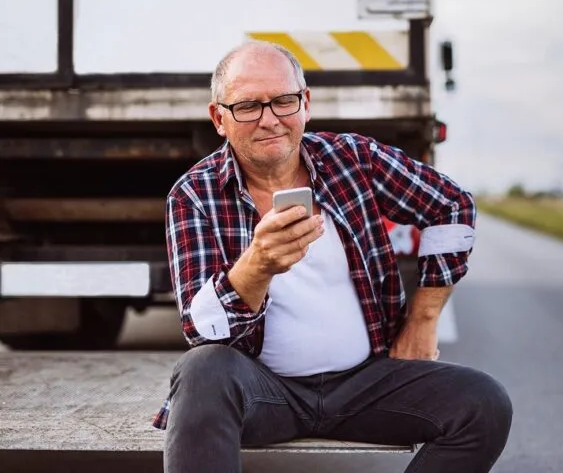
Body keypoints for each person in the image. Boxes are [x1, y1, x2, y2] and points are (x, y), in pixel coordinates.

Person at [153, 40, 513, 473]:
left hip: (367, 383)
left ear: (305, 103)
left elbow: (452, 205)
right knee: (202, 371)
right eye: (248, 106)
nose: (269, 120)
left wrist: (422, 320)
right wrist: (258, 265)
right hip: (266, 392)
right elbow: (201, 328)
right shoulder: (193, 194)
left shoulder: (353, 159)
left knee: (484, 403)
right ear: (219, 118)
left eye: (283, 101)